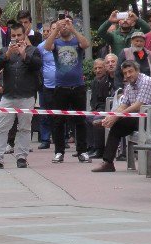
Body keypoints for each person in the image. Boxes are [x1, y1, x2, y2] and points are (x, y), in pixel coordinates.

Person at [0, 23, 42, 170]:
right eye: (13, 36)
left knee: (24, 128)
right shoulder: (4, 50)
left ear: (24, 36)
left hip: (27, 96)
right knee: (2, 128)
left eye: (19, 35)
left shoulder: (33, 50)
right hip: (8, 96)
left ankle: (21, 157)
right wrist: (8, 54)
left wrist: (23, 54)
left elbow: (37, 66)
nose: (16, 39)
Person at [92, 60, 151, 172]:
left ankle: (107, 123)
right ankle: (108, 162)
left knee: (119, 122)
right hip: (139, 118)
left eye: (130, 71)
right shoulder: (130, 86)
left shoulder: (146, 81)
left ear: (137, 71)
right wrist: (112, 116)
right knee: (117, 126)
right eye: (125, 73)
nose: (128, 75)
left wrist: (116, 117)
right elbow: (123, 105)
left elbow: (138, 105)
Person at [44, 15, 92, 164]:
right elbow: (47, 46)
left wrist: (74, 29)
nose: (64, 26)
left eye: (66, 24)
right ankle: (59, 152)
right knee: (58, 121)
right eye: (62, 24)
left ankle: (82, 151)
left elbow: (86, 44)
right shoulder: (56, 42)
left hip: (78, 86)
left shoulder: (76, 41)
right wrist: (56, 29)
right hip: (60, 87)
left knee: (80, 121)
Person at [86, 58, 114, 159]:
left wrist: (98, 111)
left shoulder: (109, 80)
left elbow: (106, 100)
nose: (98, 70)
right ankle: (90, 147)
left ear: (105, 68)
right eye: (96, 68)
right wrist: (93, 110)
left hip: (107, 109)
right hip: (97, 108)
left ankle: (99, 150)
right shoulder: (94, 81)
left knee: (97, 119)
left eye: (100, 68)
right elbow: (93, 100)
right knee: (86, 117)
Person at [37, 21, 57, 150]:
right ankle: (45, 139)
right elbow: (39, 65)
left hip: (61, 86)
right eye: (53, 29)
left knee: (61, 113)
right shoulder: (41, 47)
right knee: (45, 113)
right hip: (46, 85)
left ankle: (61, 138)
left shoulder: (63, 44)